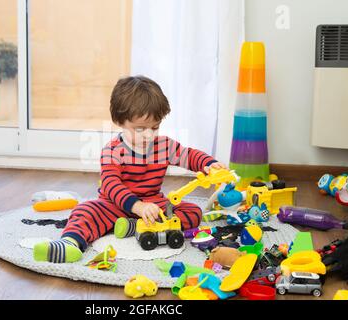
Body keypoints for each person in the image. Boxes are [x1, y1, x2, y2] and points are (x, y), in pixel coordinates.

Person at [34, 75, 227, 263]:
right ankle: (70, 243)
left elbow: (189, 155)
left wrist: (209, 164)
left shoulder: (164, 146)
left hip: (153, 206)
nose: (149, 135)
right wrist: (137, 207)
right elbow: (111, 185)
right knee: (85, 211)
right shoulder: (112, 151)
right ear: (120, 121)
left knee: (193, 212)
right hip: (114, 205)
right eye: (140, 129)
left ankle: (134, 226)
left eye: (155, 127)